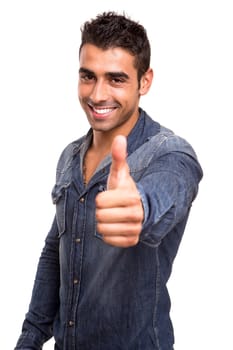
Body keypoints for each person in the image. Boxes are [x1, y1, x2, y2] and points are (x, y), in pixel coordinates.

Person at [15, 11, 203, 350]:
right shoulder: (70, 156)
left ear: (144, 82)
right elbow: (56, 250)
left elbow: (167, 190)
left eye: (116, 79)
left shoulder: (170, 154)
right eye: (88, 76)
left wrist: (139, 209)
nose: (98, 94)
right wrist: (30, 338)